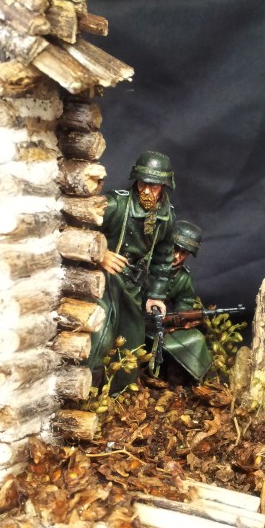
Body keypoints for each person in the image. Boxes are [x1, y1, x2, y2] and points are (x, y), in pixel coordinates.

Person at [87, 151, 176, 382]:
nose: (146, 191)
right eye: (143, 183)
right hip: (104, 281)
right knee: (100, 337)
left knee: (132, 344)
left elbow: (163, 258)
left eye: (153, 186)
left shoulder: (167, 218)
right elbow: (83, 228)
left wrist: (156, 295)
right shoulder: (116, 204)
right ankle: (86, 390)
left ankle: (117, 392)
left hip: (133, 285)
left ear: (164, 186)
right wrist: (101, 253)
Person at [151, 220, 212, 383]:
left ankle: (178, 383)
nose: (177, 256)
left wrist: (179, 317)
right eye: (175, 248)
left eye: (183, 253)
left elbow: (185, 301)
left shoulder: (184, 278)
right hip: (139, 320)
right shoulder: (150, 264)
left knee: (196, 339)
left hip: (164, 323)